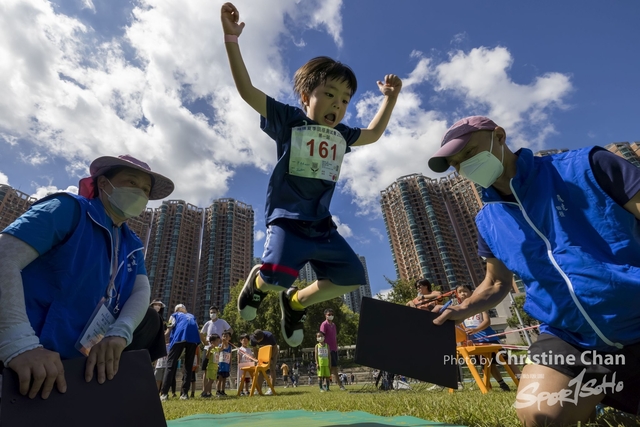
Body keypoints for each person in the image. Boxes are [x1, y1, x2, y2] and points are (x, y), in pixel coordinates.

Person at [430, 116, 640, 425]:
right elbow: (496, 282)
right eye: (456, 163)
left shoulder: (587, 165)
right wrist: (462, 309)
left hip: (633, 314)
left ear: (499, 136)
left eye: (470, 152)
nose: (464, 166)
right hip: (571, 338)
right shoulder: (488, 221)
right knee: (540, 413)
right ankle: (597, 392)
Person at [221, 2, 402, 347]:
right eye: (329, 95)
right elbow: (247, 92)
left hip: (321, 226)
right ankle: (258, 284)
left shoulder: (342, 135)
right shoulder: (290, 120)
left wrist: (389, 100)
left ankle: (296, 301)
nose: (338, 104)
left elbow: (374, 134)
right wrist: (232, 39)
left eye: (345, 100)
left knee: (352, 276)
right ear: (306, 97)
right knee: (274, 278)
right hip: (288, 220)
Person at [0, 154, 174, 400]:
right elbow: (4, 257)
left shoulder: (131, 242)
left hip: (77, 357)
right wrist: (19, 344)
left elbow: (140, 290)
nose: (140, 193)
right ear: (103, 184)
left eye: (146, 190)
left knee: (150, 321)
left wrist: (119, 334)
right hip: (27, 346)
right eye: (132, 182)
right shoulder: (68, 208)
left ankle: (109, 390)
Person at [456, 285, 518, 392]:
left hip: (489, 339)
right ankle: (502, 384)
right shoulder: (460, 309)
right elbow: (461, 326)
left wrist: (476, 330)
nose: (462, 294)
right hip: (474, 342)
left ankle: (520, 379)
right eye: (460, 292)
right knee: (487, 364)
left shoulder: (480, 304)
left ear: (472, 292)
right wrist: (466, 337)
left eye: (465, 291)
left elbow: (487, 321)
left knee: (505, 359)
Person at [161, 304, 200, 401]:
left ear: (176, 310)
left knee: (170, 365)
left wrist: (161, 337)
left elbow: (169, 328)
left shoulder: (174, 315)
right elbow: (198, 331)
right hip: (193, 339)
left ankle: (164, 393)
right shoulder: (192, 316)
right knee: (188, 366)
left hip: (179, 337)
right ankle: (184, 394)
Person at [199, 305, 231, 394]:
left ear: (217, 313)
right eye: (211, 312)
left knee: (216, 370)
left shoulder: (222, 322)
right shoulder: (208, 323)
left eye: (214, 312)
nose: (212, 314)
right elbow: (201, 333)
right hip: (208, 349)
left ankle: (215, 390)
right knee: (206, 370)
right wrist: (205, 343)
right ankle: (204, 391)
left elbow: (230, 330)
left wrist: (224, 339)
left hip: (218, 349)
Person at [319, 308, 346, 390]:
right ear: (325, 315)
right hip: (328, 349)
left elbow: (334, 337)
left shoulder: (334, 325)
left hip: (334, 349)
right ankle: (340, 385)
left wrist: (336, 347)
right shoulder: (324, 324)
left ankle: (325, 384)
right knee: (333, 368)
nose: (330, 316)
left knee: (331, 368)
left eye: (332, 314)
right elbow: (321, 337)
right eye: (329, 314)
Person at [250, 329, 279, 395]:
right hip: (262, 351)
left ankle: (271, 389)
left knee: (272, 369)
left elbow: (275, 347)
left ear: (263, 337)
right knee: (260, 370)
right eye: (256, 339)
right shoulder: (253, 338)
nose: (257, 341)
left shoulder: (269, 336)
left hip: (272, 351)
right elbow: (255, 349)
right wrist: (258, 359)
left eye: (259, 339)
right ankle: (258, 390)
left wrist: (271, 358)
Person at [201, 334, 221, 398]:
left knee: (211, 381)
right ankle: (204, 392)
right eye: (217, 341)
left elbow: (222, 348)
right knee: (211, 381)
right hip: (211, 367)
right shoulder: (210, 349)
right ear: (212, 342)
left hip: (215, 367)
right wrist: (209, 350)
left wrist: (224, 341)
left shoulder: (217, 348)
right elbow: (207, 357)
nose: (218, 342)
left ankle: (208, 393)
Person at [216, 331, 232, 397]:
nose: (225, 338)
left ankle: (223, 391)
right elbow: (220, 350)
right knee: (219, 379)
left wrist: (230, 365)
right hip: (220, 365)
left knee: (224, 379)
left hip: (226, 365)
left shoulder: (230, 347)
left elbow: (230, 357)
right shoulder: (220, 345)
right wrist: (223, 343)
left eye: (226, 336)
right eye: (223, 336)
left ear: (229, 338)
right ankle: (218, 391)